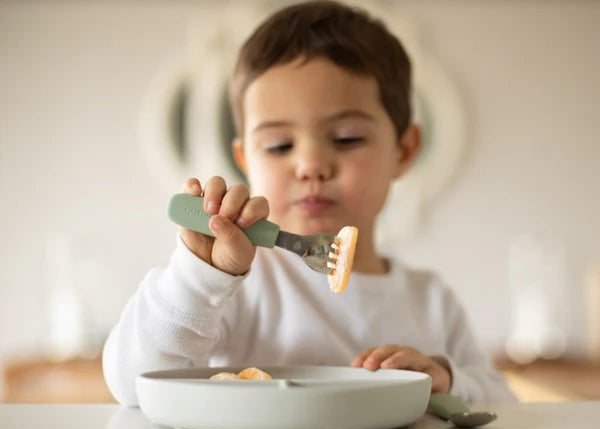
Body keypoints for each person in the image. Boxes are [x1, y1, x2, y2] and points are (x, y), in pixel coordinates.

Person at [103, 0, 515, 406]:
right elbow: (132, 384)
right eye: (280, 145)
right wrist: (199, 276)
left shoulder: (430, 301)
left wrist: (446, 378)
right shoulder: (231, 289)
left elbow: (502, 405)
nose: (311, 166)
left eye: (347, 139)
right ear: (246, 161)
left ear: (404, 152)